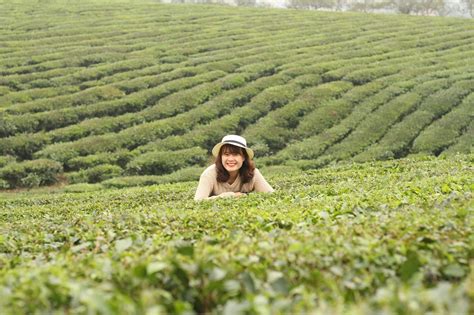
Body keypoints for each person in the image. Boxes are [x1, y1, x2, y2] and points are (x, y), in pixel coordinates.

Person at [194, 135, 274, 201]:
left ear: (243, 157)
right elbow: (198, 201)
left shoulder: (253, 173)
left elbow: (271, 195)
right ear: (221, 157)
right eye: (226, 154)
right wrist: (230, 196)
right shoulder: (209, 174)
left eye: (235, 154)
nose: (230, 159)